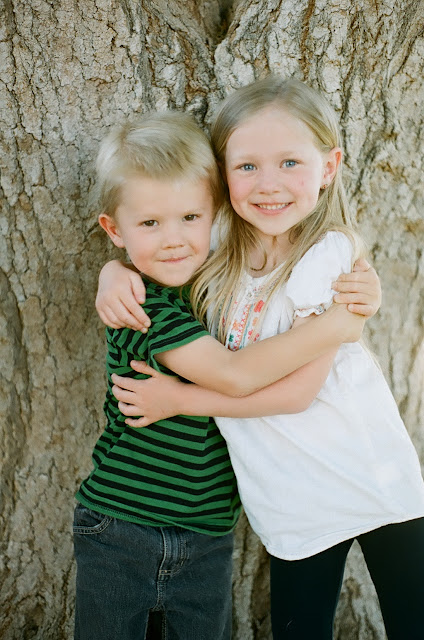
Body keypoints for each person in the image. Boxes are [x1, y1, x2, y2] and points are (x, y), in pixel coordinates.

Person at [98, 78, 424, 640]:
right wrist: (114, 271)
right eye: (247, 166)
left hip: (368, 473)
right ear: (222, 178)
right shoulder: (219, 246)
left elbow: (297, 394)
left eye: (290, 162)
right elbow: (163, 244)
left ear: (329, 167)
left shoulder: (327, 256)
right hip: (288, 496)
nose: (268, 185)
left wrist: (180, 399)